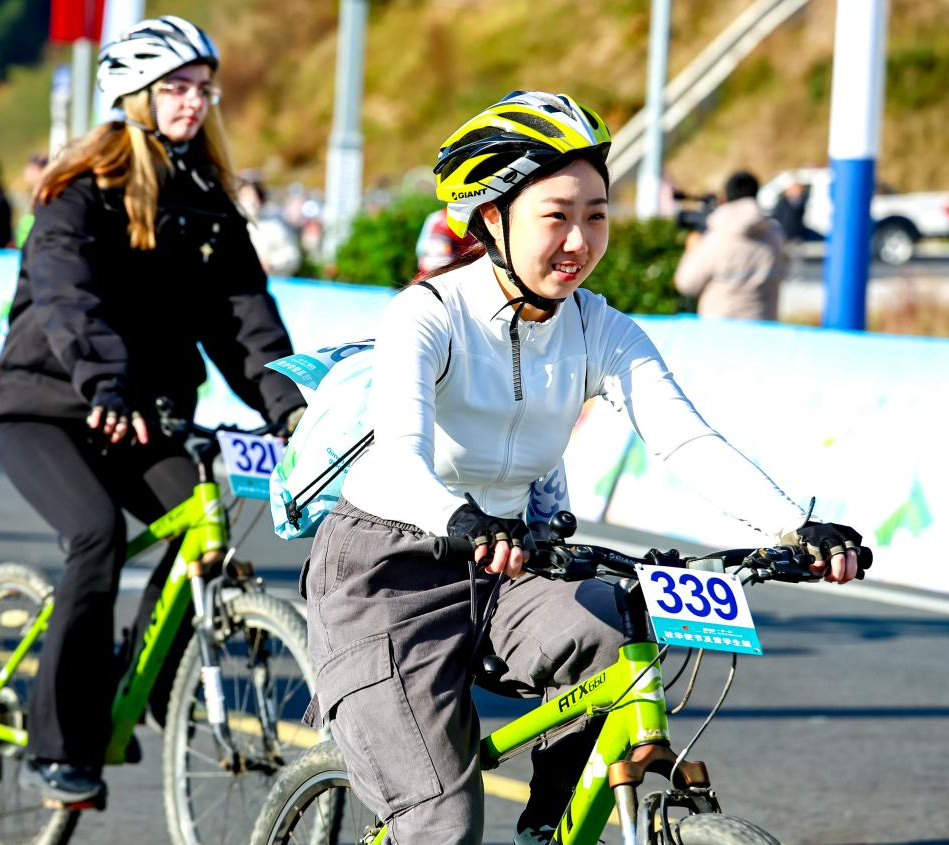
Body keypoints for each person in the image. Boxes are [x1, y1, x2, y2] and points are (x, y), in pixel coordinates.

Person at [303, 91, 864, 845]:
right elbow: (399, 455)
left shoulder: (600, 327)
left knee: (614, 625)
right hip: (388, 569)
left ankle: (552, 825)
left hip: (508, 563)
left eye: (595, 215)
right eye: (555, 216)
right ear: (491, 220)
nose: (578, 240)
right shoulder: (427, 314)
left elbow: (685, 439)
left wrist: (795, 526)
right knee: (440, 820)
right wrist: (462, 517)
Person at [0, 16, 305, 806]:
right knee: (94, 537)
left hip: (142, 408)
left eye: (202, 88)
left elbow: (242, 316)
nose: (193, 103)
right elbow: (68, 296)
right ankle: (58, 745)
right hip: (47, 404)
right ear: (134, 97)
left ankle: (156, 674)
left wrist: (291, 409)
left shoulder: (205, 196)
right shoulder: (80, 189)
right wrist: (107, 383)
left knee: (204, 528)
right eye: (175, 89)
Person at [673, 170, 787, 321]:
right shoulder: (774, 234)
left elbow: (687, 283)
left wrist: (693, 249)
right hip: (763, 328)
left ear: (727, 196)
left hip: (720, 330)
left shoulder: (718, 237)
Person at [236, 171, 302, 276]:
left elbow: (292, 255)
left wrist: (271, 262)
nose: (249, 200)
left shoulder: (275, 226)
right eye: (244, 195)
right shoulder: (234, 225)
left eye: (253, 195)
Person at [414, 206, 476, 277]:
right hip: (445, 268)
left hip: (429, 268)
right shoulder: (463, 220)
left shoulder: (434, 217)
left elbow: (420, 248)